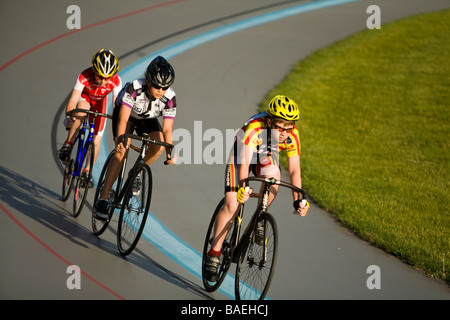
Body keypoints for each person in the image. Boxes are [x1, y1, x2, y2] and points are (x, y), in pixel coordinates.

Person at [204, 95, 310, 282]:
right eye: (280, 126)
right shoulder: (255, 128)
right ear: (269, 122)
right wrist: (243, 188)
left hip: (265, 156)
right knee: (233, 205)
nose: (285, 132)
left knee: (275, 175)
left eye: (290, 125)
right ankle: (214, 252)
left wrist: (298, 199)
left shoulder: (293, 134)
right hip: (242, 156)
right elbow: (244, 162)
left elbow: (294, 169)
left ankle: (259, 217)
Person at [94, 55, 177, 219]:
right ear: (148, 81)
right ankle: (103, 199)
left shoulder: (170, 98)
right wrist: (120, 139)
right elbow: (123, 119)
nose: (161, 90)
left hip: (147, 118)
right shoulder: (134, 88)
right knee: (122, 149)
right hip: (126, 115)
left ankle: (136, 173)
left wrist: (169, 150)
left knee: (159, 145)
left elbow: (167, 129)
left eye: (164, 87)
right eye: (157, 86)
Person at [58, 49, 122, 185]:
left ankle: (87, 171)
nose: (103, 81)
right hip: (85, 99)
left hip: (100, 102)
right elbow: (73, 100)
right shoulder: (84, 76)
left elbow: (117, 106)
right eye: (100, 76)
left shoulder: (116, 81)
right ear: (94, 70)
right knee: (82, 109)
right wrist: (69, 116)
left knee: (97, 139)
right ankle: (69, 144)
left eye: (107, 78)